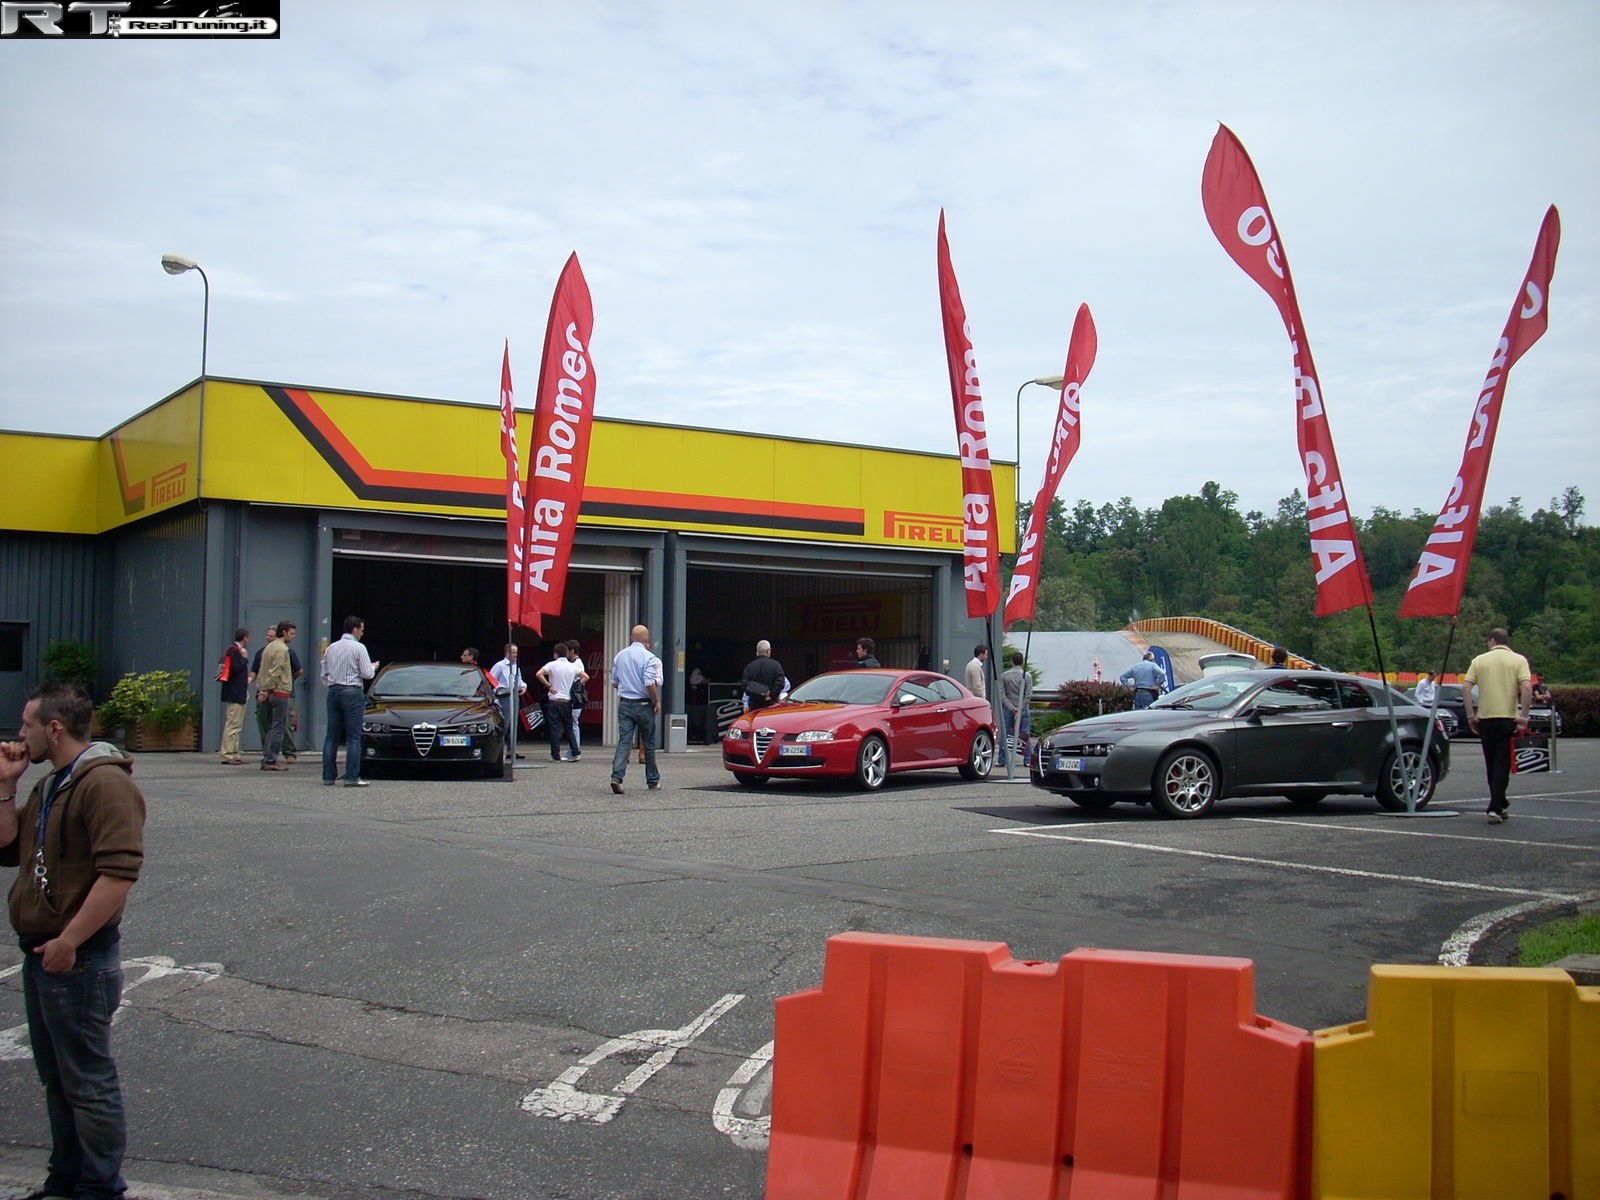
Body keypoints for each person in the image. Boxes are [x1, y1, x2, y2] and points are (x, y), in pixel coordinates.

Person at [0, 680, 146, 1200]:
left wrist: (69, 941)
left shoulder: (104, 784)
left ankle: (101, 1188)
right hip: (42, 953)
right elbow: (8, 847)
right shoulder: (51, 783)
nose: (19, 736)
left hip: (78, 958)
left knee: (87, 1081)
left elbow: (119, 873)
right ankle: (66, 1180)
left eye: (26, 726)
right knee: (59, 1081)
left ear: (54, 728)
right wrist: (7, 785)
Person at [1462, 628, 1531, 825]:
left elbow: (1466, 687)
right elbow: (1526, 687)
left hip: (1485, 718)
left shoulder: (1479, 660)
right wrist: (1524, 716)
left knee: (1491, 763)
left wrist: (1470, 716)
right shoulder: (1519, 660)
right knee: (1502, 763)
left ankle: (1499, 802)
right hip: (1507, 718)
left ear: (1492, 641)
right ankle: (1495, 806)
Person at [322, 615, 377, 787]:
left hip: (333, 691)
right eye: (361, 629)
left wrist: (332, 685)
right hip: (352, 691)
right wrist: (373, 667)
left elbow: (323, 674)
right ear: (355, 630)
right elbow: (367, 674)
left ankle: (328, 776)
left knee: (331, 736)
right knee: (353, 737)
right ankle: (352, 776)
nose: (362, 632)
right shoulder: (359, 648)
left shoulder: (331, 648)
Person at [609, 624, 662, 794]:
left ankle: (616, 777)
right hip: (644, 704)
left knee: (624, 741)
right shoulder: (650, 658)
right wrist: (656, 701)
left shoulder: (620, 656)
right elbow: (649, 683)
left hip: (624, 703)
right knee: (649, 743)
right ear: (646, 639)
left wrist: (627, 690)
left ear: (632, 638)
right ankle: (652, 780)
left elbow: (615, 682)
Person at [536, 641, 587, 763]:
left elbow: (539, 674)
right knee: (569, 727)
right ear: (566, 653)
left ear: (555, 654)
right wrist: (575, 685)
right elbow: (586, 676)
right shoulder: (573, 666)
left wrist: (549, 686)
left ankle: (555, 755)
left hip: (554, 699)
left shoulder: (552, 665)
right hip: (567, 700)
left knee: (554, 728)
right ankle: (575, 752)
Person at [255, 621, 297, 771]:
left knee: (271, 727)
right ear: (284, 632)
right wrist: (266, 688)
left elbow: (262, 670)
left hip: (269, 691)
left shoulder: (268, 647)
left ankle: (267, 758)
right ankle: (271, 760)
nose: (293, 637)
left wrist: (261, 689)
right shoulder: (282, 649)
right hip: (279, 691)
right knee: (278, 727)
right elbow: (276, 670)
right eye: (291, 633)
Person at [217, 626, 251, 764]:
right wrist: (244, 659)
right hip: (235, 692)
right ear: (245, 638)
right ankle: (227, 753)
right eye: (248, 637)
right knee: (232, 723)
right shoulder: (234, 651)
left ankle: (235, 752)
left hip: (240, 692)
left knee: (237, 724)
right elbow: (235, 668)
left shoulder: (235, 651)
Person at [490, 643, 528, 759]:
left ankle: (512, 750)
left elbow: (519, 679)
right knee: (505, 724)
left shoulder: (516, 666)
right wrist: (499, 689)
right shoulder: (500, 666)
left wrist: (523, 687)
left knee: (514, 724)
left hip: (514, 696)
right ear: (507, 653)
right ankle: (499, 750)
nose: (516, 654)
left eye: (516, 652)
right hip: (504, 697)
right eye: (514, 652)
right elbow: (491, 679)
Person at [998, 652, 1031, 767]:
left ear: (1012, 661)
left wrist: (1011, 708)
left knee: (1005, 733)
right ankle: (1027, 759)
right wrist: (1020, 709)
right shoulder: (1027, 676)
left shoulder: (1004, 676)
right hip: (1023, 708)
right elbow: (1028, 695)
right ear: (1022, 662)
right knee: (1025, 733)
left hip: (1008, 707)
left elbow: (1002, 694)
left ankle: (1003, 759)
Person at [740, 640, 788, 711]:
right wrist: (771, 695)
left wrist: (758, 694)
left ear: (757, 652)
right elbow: (780, 683)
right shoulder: (776, 666)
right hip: (772, 706)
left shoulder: (749, 667)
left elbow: (745, 685)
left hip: (754, 707)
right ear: (768, 651)